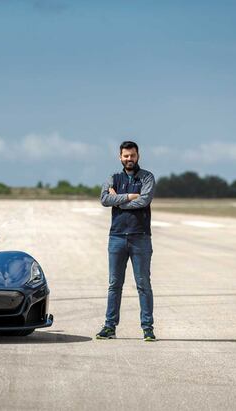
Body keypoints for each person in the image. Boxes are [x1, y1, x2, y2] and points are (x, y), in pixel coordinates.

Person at [96, 141, 156, 342]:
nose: (129, 159)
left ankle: (147, 328)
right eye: (126, 156)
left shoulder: (147, 177)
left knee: (143, 284)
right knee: (114, 284)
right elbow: (104, 199)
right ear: (120, 157)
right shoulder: (113, 178)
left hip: (140, 237)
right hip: (117, 237)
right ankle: (109, 327)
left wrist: (119, 201)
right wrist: (129, 196)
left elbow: (144, 200)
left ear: (138, 156)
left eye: (132, 155)